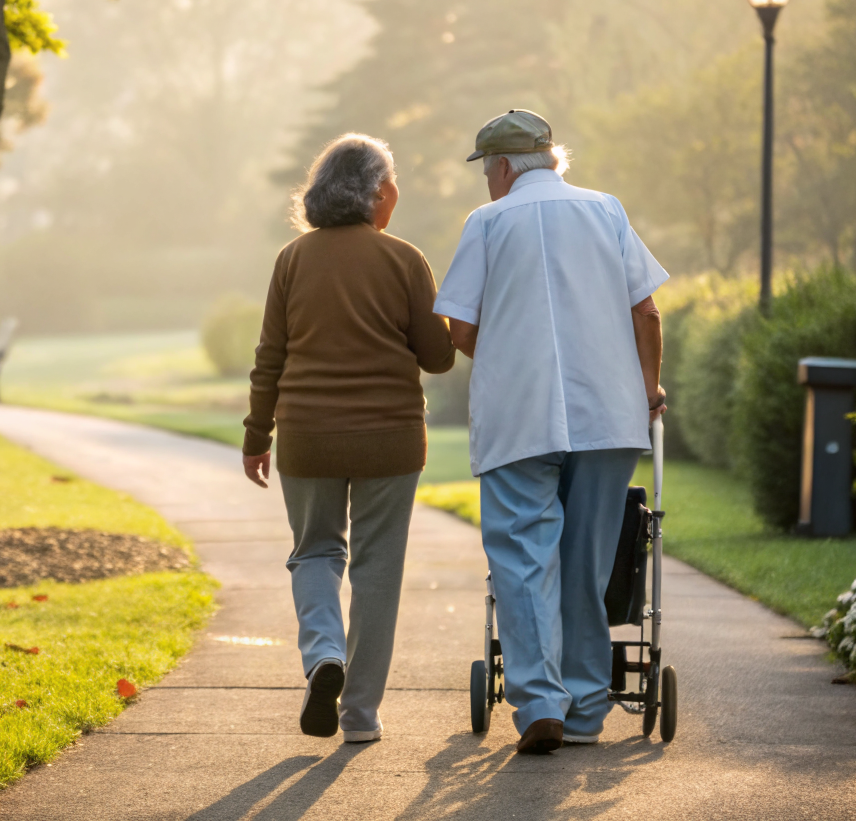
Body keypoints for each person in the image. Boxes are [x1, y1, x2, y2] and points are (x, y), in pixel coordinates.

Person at [434, 109, 668, 755]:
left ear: (502, 167)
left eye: (487, 170)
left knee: (521, 555)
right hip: (607, 416)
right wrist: (647, 389)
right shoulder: (605, 210)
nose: (487, 182)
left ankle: (539, 701)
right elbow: (645, 312)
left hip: (519, 418)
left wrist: (511, 360)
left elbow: (457, 330)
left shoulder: (487, 222)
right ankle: (587, 710)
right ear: (550, 159)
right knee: (587, 565)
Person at [242, 134, 456, 743]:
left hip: (308, 436)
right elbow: (437, 358)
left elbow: (269, 358)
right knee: (377, 569)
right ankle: (360, 715)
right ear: (379, 193)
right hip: (390, 439)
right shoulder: (405, 259)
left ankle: (323, 657)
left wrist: (258, 436)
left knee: (314, 552)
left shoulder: (292, 259)